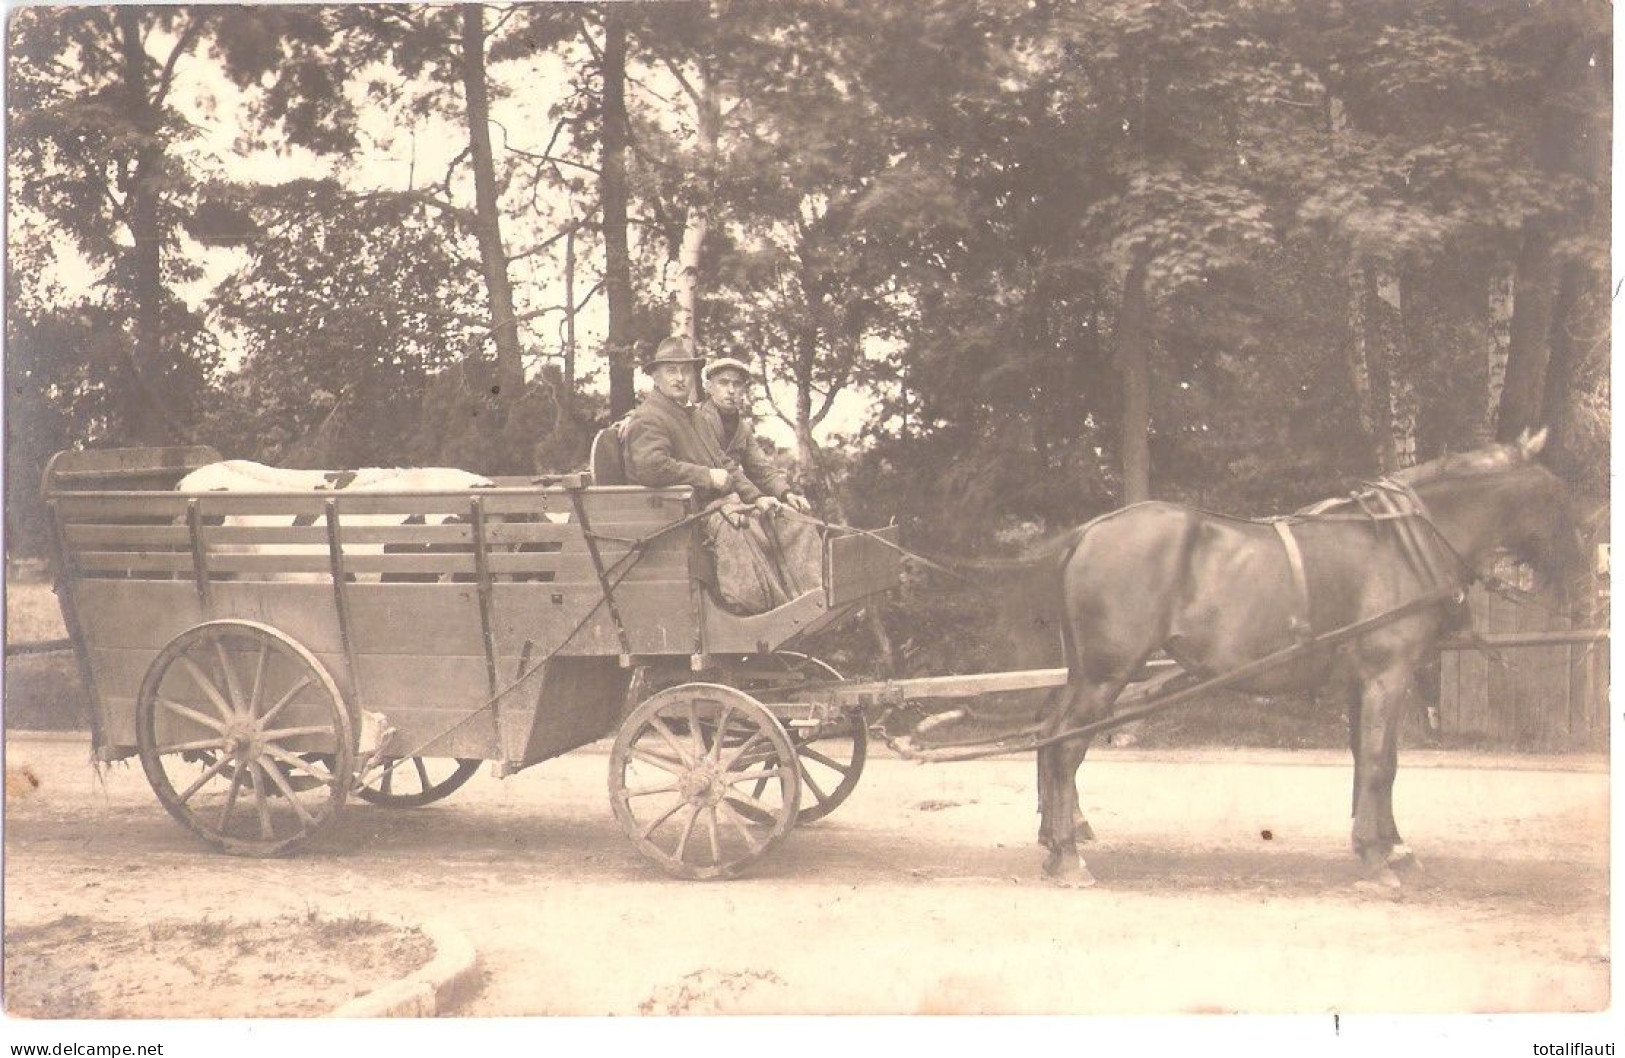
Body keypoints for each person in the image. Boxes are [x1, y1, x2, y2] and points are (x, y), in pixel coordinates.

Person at [622, 337, 822, 614]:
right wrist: (706, 477)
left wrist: (761, 498)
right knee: (736, 524)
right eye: (671, 370)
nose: (679, 378)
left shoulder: (692, 417)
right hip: (674, 517)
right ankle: (756, 611)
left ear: (693, 376)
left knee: (788, 521)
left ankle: (809, 599)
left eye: (686, 371)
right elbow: (651, 467)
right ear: (655, 375)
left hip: (704, 509)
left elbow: (725, 464)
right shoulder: (650, 417)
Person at [695, 357, 813, 515]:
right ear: (709, 387)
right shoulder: (697, 418)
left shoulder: (743, 428)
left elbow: (760, 468)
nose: (731, 390)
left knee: (792, 519)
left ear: (743, 389)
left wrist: (787, 494)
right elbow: (722, 464)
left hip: (735, 498)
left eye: (737, 384)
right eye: (723, 383)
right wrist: (756, 497)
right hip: (701, 504)